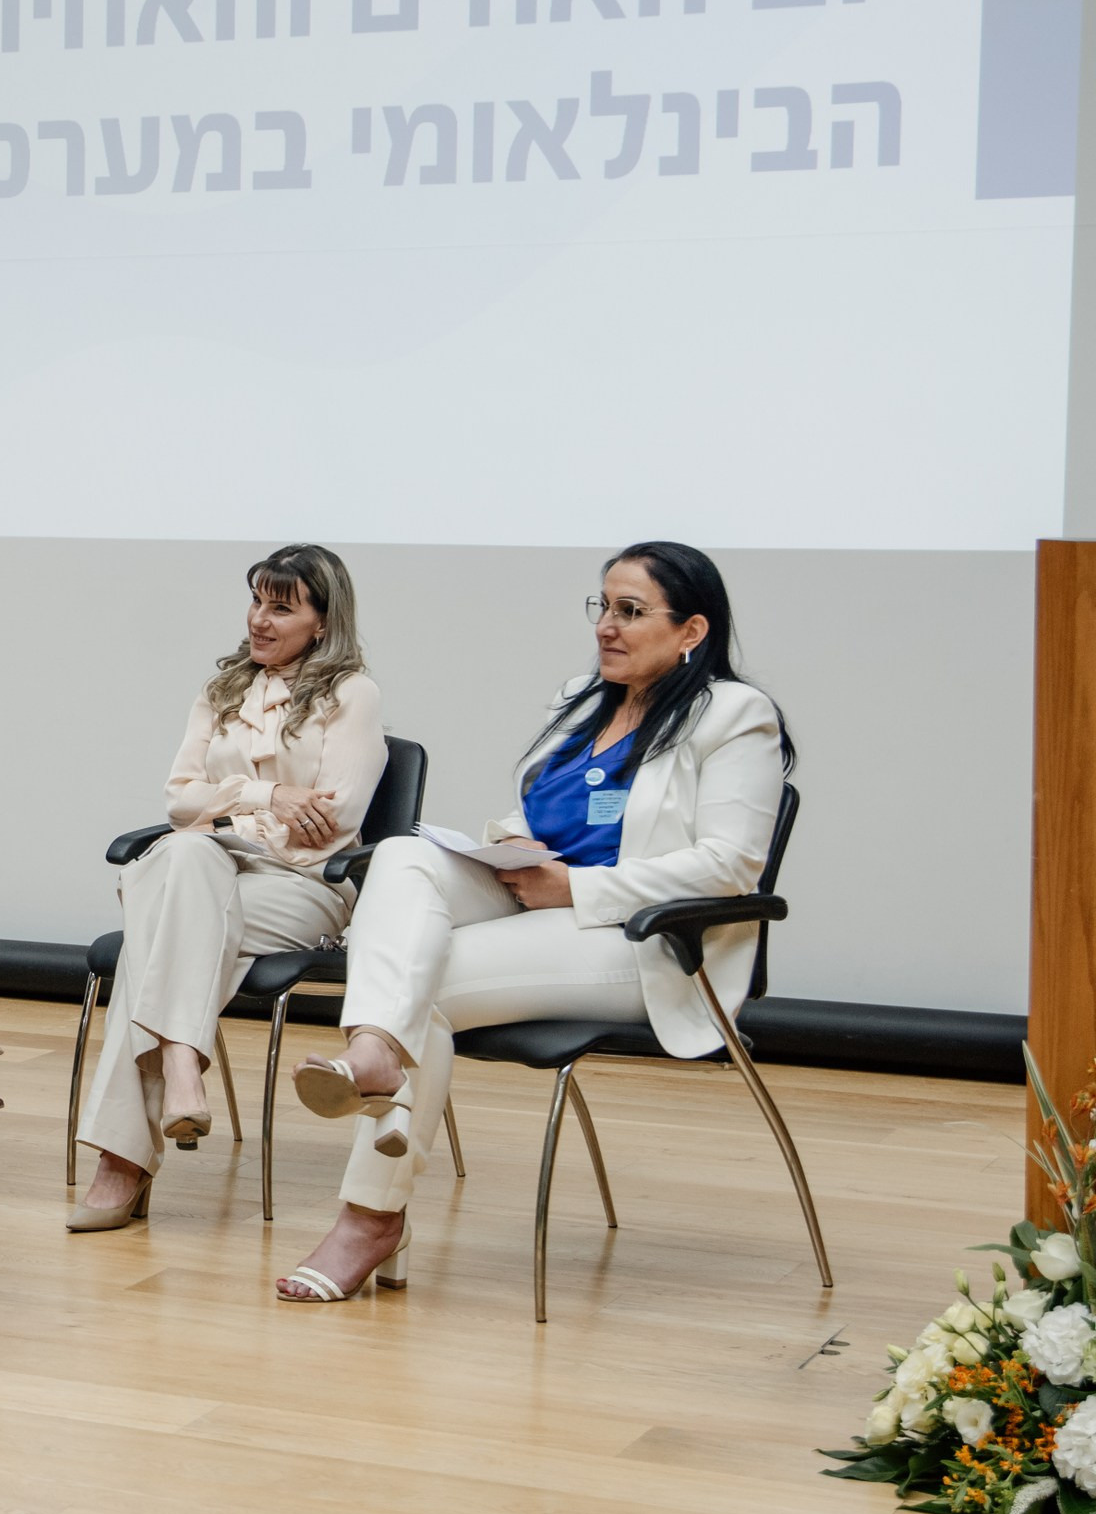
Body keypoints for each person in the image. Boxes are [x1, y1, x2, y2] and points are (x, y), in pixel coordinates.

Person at [276, 540, 790, 1301]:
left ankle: (370, 1215)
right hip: (544, 899)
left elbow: (729, 866)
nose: (606, 626)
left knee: (426, 986)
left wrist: (576, 887)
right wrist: (506, 848)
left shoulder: (735, 715)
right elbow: (546, 808)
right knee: (405, 855)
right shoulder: (582, 698)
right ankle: (375, 1053)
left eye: (630, 611)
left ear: (691, 632)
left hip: (647, 940)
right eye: (603, 606)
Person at [69, 545, 384, 1231]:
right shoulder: (220, 692)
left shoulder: (354, 695)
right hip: (212, 866)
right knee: (185, 856)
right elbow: (180, 800)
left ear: (322, 623)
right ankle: (183, 1064)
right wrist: (267, 795)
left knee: (156, 933)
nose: (259, 620)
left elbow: (333, 822)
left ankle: (122, 1163)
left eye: (282, 606)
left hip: (303, 886)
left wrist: (229, 812)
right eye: (256, 602)